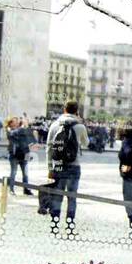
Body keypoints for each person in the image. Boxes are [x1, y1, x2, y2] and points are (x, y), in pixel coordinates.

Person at [46, 99, 89, 232]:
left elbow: (49, 148)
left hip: (58, 165)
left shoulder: (54, 125)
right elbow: (86, 144)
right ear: (77, 111)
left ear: (64, 109)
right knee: (72, 197)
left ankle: (54, 225)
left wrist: (50, 168)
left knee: (57, 196)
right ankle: (70, 226)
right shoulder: (80, 126)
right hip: (74, 165)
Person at [5, 116, 34, 195]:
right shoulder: (9, 130)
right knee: (13, 172)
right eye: (14, 121)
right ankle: (11, 189)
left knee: (25, 173)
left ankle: (26, 189)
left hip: (24, 153)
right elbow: (12, 136)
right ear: (10, 123)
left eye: (17, 121)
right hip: (14, 154)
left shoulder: (22, 130)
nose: (16, 122)